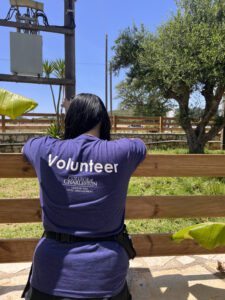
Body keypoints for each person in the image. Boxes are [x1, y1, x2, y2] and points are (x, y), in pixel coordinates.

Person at [21, 93, 147, 300]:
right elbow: (140, 146)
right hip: (105, 276)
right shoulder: (122, 151)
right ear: (103, 120)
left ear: (70, 120)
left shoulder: (45, 148)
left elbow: (27, 145)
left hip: (49, 274)